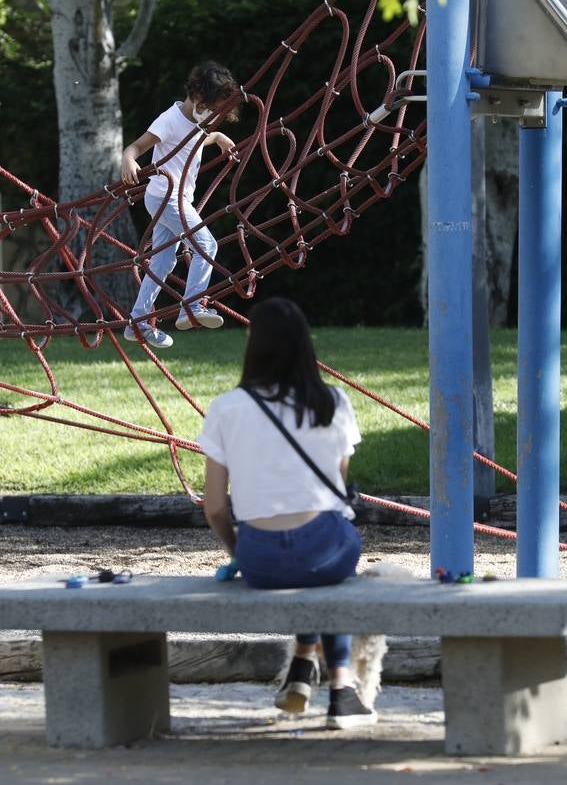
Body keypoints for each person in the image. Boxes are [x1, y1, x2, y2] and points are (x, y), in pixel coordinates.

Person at [196, 297, 377, 729]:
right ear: (305, 345)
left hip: (260, 559)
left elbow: (216, 507)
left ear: (251, 343)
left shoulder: (226, 408)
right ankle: (340, 690)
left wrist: (239, 553)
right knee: (325, 562)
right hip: (325, 550)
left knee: (302, 564)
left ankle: (301, 662)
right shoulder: (332, 402)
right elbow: (331, 491)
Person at [119, 61, 239, 349]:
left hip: (177, 198)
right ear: (198, 98)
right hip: (164, 196)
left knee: (163, 260)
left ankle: (137, 322)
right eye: (211, 108)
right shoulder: (169, 120)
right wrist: (128, 160)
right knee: (207, 246)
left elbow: (197, 136)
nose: (212, 116)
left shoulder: (197, 122)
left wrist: (219, 137)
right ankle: (193, 305)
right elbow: (136, 147)